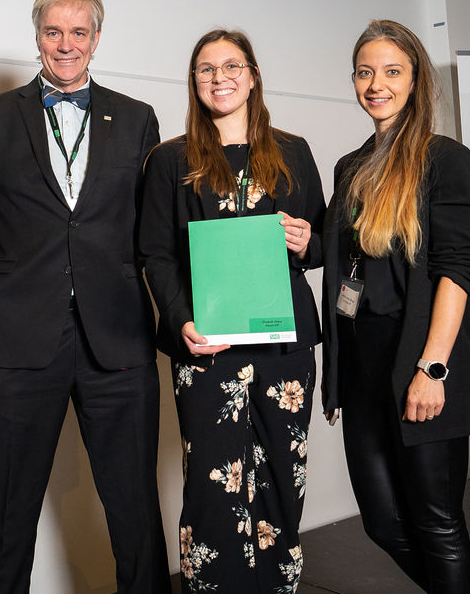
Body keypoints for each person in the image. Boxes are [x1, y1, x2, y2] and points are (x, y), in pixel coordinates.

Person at [0, 0, 170, 593]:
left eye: (79, 33)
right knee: (7, 514)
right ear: (37, 38)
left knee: (135, 510)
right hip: (17, 341)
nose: (66, 44)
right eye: (54, 32)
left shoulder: (135, 118)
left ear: (97, 39)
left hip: (118, 340)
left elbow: (153, 230)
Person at [139, 29, 325, 591]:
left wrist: (303, 240)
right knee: (211, 483)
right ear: (194, 82)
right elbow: (154, 252)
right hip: (207, 343)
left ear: (253, 74)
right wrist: (179, 321)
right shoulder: (171, 159)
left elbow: (322, 242)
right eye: (206, 69)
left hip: (283, 345)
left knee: (281, 476)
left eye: (231, 66)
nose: (220, 78)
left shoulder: (292, 151)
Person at [321, 19, 470, 593]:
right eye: (366, 72)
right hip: (364, 368)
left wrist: (434, 368)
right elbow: (350, 263)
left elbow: (457, 272)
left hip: (421, 360)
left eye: (392, 71)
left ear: (415, 79)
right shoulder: (350, 167)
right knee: (382, 521)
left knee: (437, 524)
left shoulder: (446, 159)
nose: (377, 84)